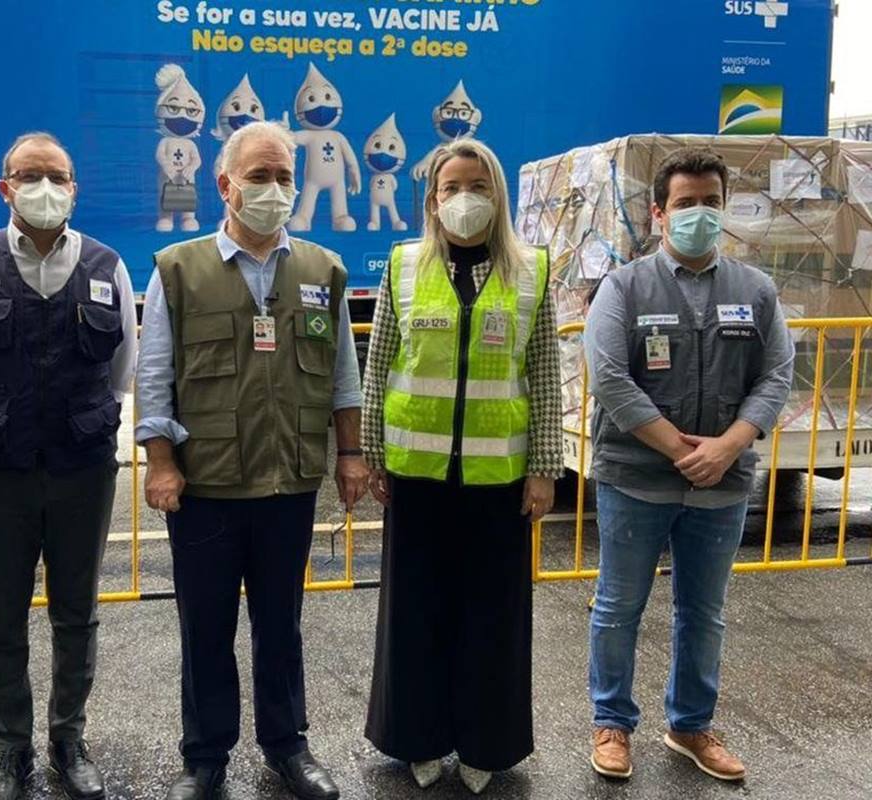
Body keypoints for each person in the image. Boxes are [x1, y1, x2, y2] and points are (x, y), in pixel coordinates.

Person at [136, 120, 369, 800]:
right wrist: (160, 463)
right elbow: (154, 377)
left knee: (281, 625)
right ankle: (205, 756)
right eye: (259, 176)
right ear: (225, 185)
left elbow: (342, 376)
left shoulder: (323, 270)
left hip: (288, 482)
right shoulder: (178, 270)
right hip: (205, 484)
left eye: (284, 177)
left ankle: (287, 745)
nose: (273, 189)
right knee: (205, 628)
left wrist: (350, 454)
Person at [0, 132, 138, 800]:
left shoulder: (108, 266)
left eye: (57, 176)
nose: (44, 187)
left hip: (83, 467)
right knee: (2, 620)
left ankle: (68, 740)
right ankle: (9, 750)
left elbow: (122, 371)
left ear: (74, 187)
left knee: (77, 614)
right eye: (30, 175)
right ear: (6, 187)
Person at [583, 148, 794, 782]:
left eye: (710, 202)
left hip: (721, 484)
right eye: (685, 203)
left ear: (724, 209)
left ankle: (691, 725)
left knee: (703, 612)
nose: (699, 213)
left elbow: (776, 375)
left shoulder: (754, 291)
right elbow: (610, 378)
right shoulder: (624, 287)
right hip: (636, 478)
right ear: (659, 213)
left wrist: (728, 446)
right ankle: (612, 722)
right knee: (618, 605)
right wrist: (681, 450)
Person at [360, 138, 562, 794]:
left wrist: (544, 467)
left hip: (498, 479)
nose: (464, 199)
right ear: (432, 199)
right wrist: (372, 454)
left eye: (478, 187)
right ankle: (416, 738)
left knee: (492, 617)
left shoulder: (530, 269)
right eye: (451, 188)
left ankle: (485, 744)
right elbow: (379, 365)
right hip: (416, 475)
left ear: (498, 197)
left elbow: (546, 373)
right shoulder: (404, 266)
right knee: (414, 613)